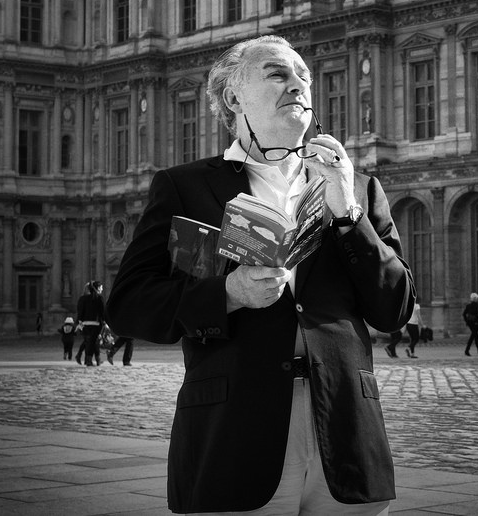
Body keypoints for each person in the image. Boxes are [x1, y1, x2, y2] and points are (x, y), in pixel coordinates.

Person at [106, 35, 414, 514]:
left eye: (304, 76)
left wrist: (349, 215)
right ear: (233, 98)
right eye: (278, 73)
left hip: (347, 432)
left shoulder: (357, 187)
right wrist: (227, 293)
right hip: (234, 434)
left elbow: (393, 309)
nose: (299, 85)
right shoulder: (184, 187)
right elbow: (127, 305)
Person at [76, 280, 105, 366]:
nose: (102, 288)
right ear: (98, 288)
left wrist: (79, 322)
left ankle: (94, 359)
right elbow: (102, 312)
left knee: (89, 342)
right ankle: (89, 360)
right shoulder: (99, 298)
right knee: (93, 342)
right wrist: (104, 322)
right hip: (96, 324)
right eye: (101, 287)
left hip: (85, 324)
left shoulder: (82, 298)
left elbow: (80, 311)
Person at [463, 292, 478, 356]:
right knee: (473, 336)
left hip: (470, 323)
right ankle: (468, 350)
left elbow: (464, 314)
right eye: (476, 298)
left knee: (475, 336)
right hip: (476, 323)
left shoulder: (468, 306)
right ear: (475, 299)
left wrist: (467, 321)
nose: (477, 299)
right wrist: (477, 320)